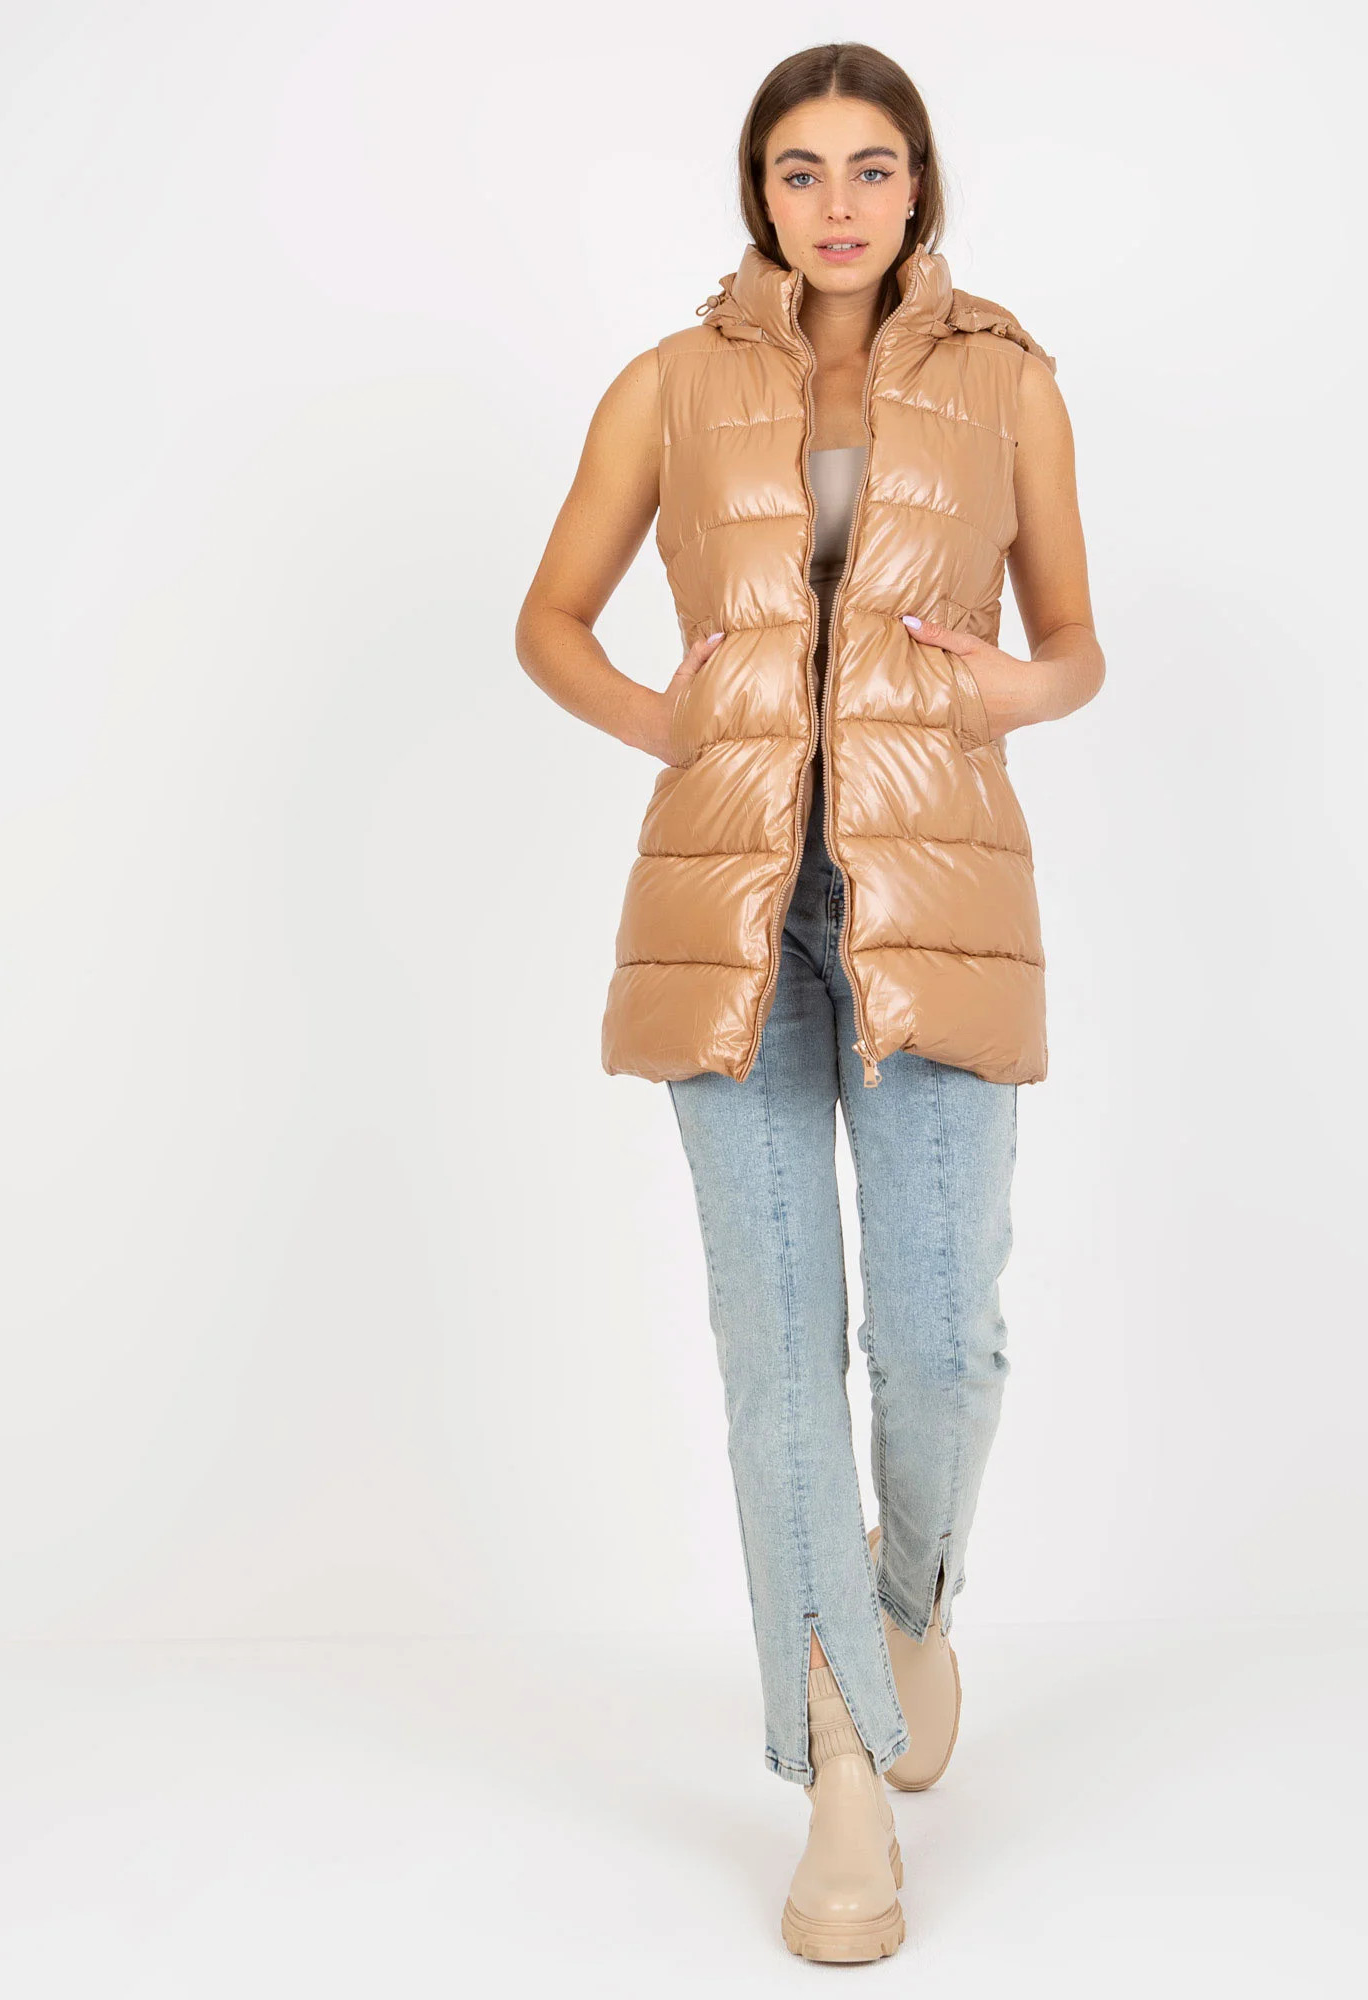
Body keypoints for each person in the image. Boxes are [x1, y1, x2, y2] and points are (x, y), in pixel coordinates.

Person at [514, 40, 1103, 1964]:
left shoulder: (1009, 379)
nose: (836, 202)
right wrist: (660, 717)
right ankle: (840, 1774)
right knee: (780, 1358)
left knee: (943, 1346)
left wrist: (1013, 690)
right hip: (734, 912)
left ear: (919, 183)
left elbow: (1075, 646)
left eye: (869, 166)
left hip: (937, 902)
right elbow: (550, 618)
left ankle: (907, 1601)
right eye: (798, 169)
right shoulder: (669, 383)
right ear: (756, 192)